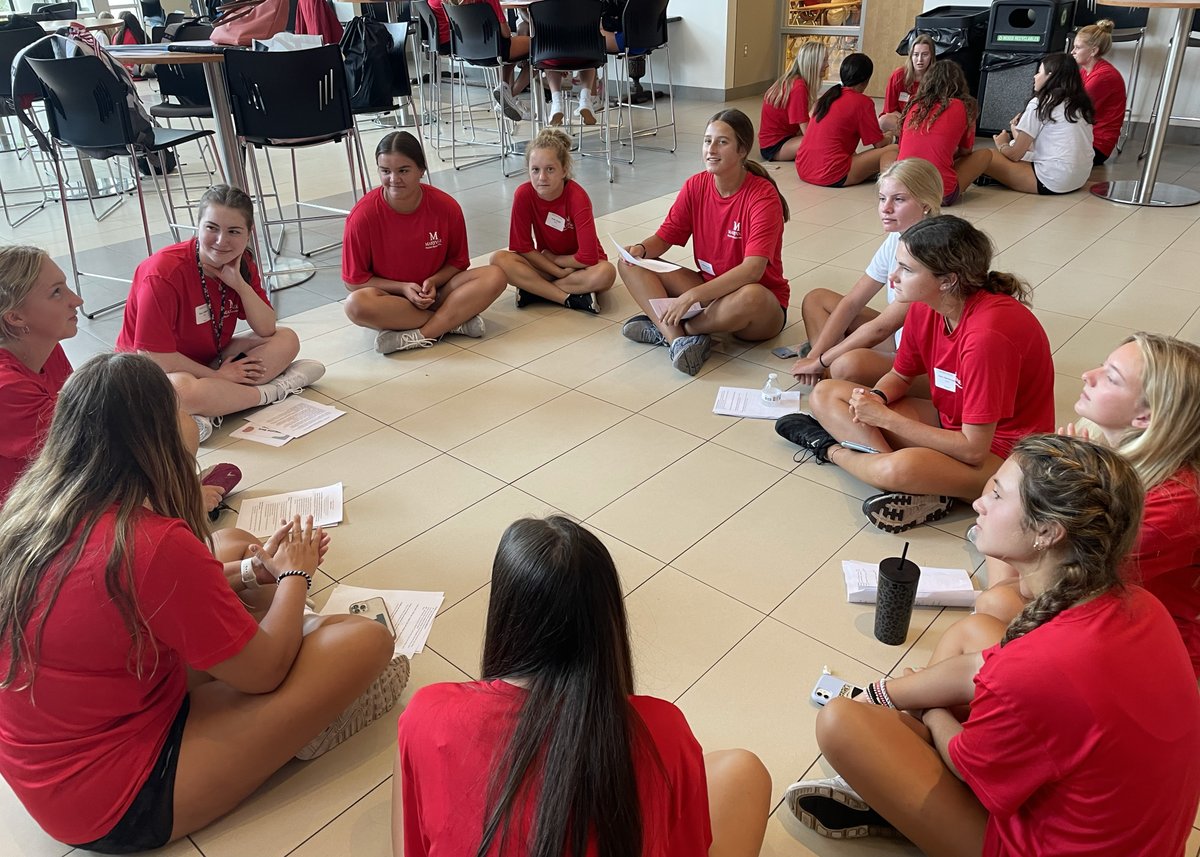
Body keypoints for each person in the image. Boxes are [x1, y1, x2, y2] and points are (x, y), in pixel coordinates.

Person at [0, 352, 406, 854]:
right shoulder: (149, 542)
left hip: (72, 748)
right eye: (179, 407)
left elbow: (143, 596)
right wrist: (296, 574)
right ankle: (308, 713)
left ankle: (294, 656)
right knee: (365, 640)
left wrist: (257, 573)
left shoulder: (35, 510)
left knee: (232, 543)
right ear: (154, 436)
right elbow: (262, 673)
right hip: (116, 796)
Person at [783, 435, 1200, 855]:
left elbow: (964, 763)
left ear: (1047, 532)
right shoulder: (1140, 603)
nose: (980, 503)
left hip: (1047, 845)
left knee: (840, 721)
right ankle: (898, 775)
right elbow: (984, 667)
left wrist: (932, 712)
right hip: (1133, 835)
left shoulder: (1039, 668)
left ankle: (896, 800)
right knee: (974, 630)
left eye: (998, 495)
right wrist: (885, 693)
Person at [393, 515, 772, 857]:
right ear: (607, 620)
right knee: (742, 772)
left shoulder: (431, 714)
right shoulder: (662, 730)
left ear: (504, 614)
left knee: (412, 736)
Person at [777, 215, 1054, 533]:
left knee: (898, 469)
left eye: (906, 269)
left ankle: (831, 449)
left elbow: (973, 449)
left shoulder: (986, 336)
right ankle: (911, 484)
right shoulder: (926, 304)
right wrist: (876, 398)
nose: (892, 277)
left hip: (1003, 455)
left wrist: (885, 420)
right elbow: (901, 375)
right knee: (826, 394)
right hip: (952, 421)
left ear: (947, 281)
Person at [974, 333, 1200, 677]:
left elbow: (1061, 569)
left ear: (1144, 417)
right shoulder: (1106, 448)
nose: (1087, 375)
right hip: (1084, 586)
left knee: (996, 597)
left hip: (1143, 637)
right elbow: (1005, 497)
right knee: (1003, 523)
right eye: (1101, 365)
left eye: (1111, 377)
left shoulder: (1174, 503)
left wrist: (1052, 491)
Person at [116, 185, 325, 442]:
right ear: (198, 226)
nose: (221, 241)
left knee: (286, 339)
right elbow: (155, 358)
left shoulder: (240, 263)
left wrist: (240, 285)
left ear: (249, 233)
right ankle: (273, 391)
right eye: (212, 228)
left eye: (233, 231)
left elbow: (267, 328)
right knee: (182, 391)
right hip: (156, 371)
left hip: (211, 357)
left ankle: (210, 407)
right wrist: (218, 375)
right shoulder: (162, 273)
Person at [619, 108, 791, 376]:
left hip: (757, 307)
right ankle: (678, 341)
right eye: (707, 140)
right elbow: (665, 237)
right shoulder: (696, 185)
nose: (711, 149)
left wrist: (691, 296)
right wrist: (640, 249)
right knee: (630, 263)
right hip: (710, 290)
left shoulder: (762, 196)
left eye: (722, 142)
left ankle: (674, 330)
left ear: (742, 150)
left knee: (751, 296)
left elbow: (752, 271)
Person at [342, 131, 507, 355]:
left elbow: (458, 262)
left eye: (403, 171)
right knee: (355, 305)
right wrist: (402, 288)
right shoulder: (362, 217)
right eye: (385, 171)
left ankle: (421, 334)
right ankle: (454, 322)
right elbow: (354, 281)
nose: (394, 179)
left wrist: (434, 281)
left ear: (421, 170)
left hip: (437, 293)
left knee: (495, 275)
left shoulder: (446, 207)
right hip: (391, 300)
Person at [790, 158, 943, 389]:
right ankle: (828, 370)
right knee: (816, 300)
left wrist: (820, 360)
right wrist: (816, 355)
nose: (885, 208)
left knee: (847, 366)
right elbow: (853, 301)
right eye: (882, 198)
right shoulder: (898, 235)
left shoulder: (932, 250)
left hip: (922, 360)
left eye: (898, 199)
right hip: (899, 337)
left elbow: (881, 327)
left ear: (926, 204)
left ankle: (830, 374)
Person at [490, 128, 616, 314]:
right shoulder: (523, 194)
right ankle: (568, 298)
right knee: (498, 259)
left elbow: (588, 256)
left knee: (606, 273)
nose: (542, 178)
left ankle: (535, 291)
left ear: (564, 170)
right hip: (548, 265)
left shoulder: (577, 197)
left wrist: (556, 260)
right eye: (535, 170)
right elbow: (522, 247)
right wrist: (557, 270)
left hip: (581, 267)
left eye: (550, 169)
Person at [0, 246, 79, 505]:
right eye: (56, 292)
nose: (77, 300)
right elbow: (85, 445)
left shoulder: (47, 347)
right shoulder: (7, 389)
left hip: (48, 487)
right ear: (15, 317)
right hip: (23, 513)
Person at [980, 53, 1094, 195]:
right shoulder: (1079, 104)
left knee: (986, 156)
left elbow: (1015, 155)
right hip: (1079, 178)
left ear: (1050, 76)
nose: (1035, 76)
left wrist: (1001, 143)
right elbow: (1044, 146)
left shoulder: (1041, 103)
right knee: (1015, 147)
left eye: (1039, 72)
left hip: (1053, 181)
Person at [879, 61, 990, 206]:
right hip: (941, 194)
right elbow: (966, 150)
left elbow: (904, 147)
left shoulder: (914, 105)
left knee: (889, 153)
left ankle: (890, 187)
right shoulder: (965, 106)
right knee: (986, 154)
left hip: (906, 188)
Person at [794, 53, 889, 188]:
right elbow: (879, 145)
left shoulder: (828, 96)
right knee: (893, 150)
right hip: (830, 174)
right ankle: (890, 188)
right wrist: (891, 135)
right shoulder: (862, 102)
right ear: (866, 80)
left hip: (803, 168)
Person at [437, 0, 530, 120]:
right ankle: (509, 97)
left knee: (512, 51)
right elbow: (506, 33)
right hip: (494, 51)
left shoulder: (447, 3)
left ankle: (504, 88)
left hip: (467, 52)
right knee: (538, 46)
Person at [759, 40, 828, 162]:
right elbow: (807, 132)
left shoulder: (792, 80)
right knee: (824, 140)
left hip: (780, 140)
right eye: (824, 61)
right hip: (775, 147)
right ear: (813, 63)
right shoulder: (798, 87)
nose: (827, 65)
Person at [1071, 19, 1127, 165]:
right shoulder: (1086, 71)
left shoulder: (1102, 77)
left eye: (1078, 47)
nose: (1073, 52)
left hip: (1096, 146)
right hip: (1086, 139)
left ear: (1094, 51)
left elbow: (1073, 109)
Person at [878, 34, 935, 134]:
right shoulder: (898, 76)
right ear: (911, 56)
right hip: (902, 119)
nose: (920, 59)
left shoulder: (936, 78)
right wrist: (911, 122)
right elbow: (890, 110)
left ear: (931, 56)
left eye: (925, 54)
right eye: (916, 54)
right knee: (884, 121)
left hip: (925, 122)